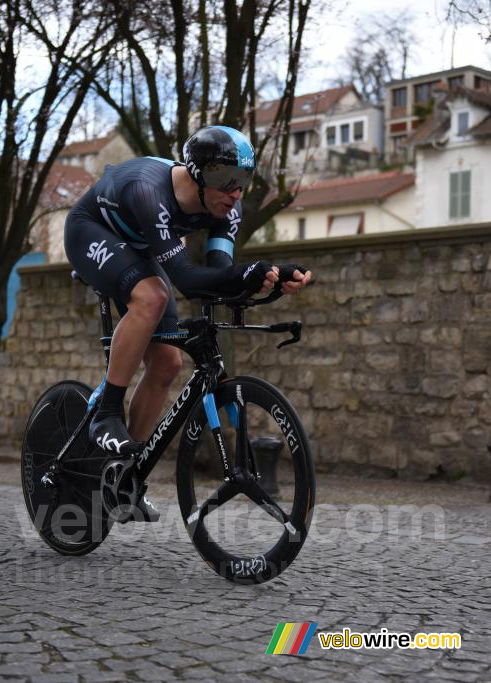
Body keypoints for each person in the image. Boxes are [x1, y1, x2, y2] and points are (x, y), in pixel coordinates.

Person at [64, 125, 312, 470]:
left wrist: (268, 278)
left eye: (243, 179)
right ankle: (106, 413)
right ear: (197, 172)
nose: (235, 191)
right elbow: (189, 280)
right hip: (89, 230)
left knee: (168, 364)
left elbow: (218, 276)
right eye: (226, 177)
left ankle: (121, 470)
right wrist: (248, 272)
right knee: (152, 295)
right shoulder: (148, 190)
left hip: (138, 247)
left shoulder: (227, 210)